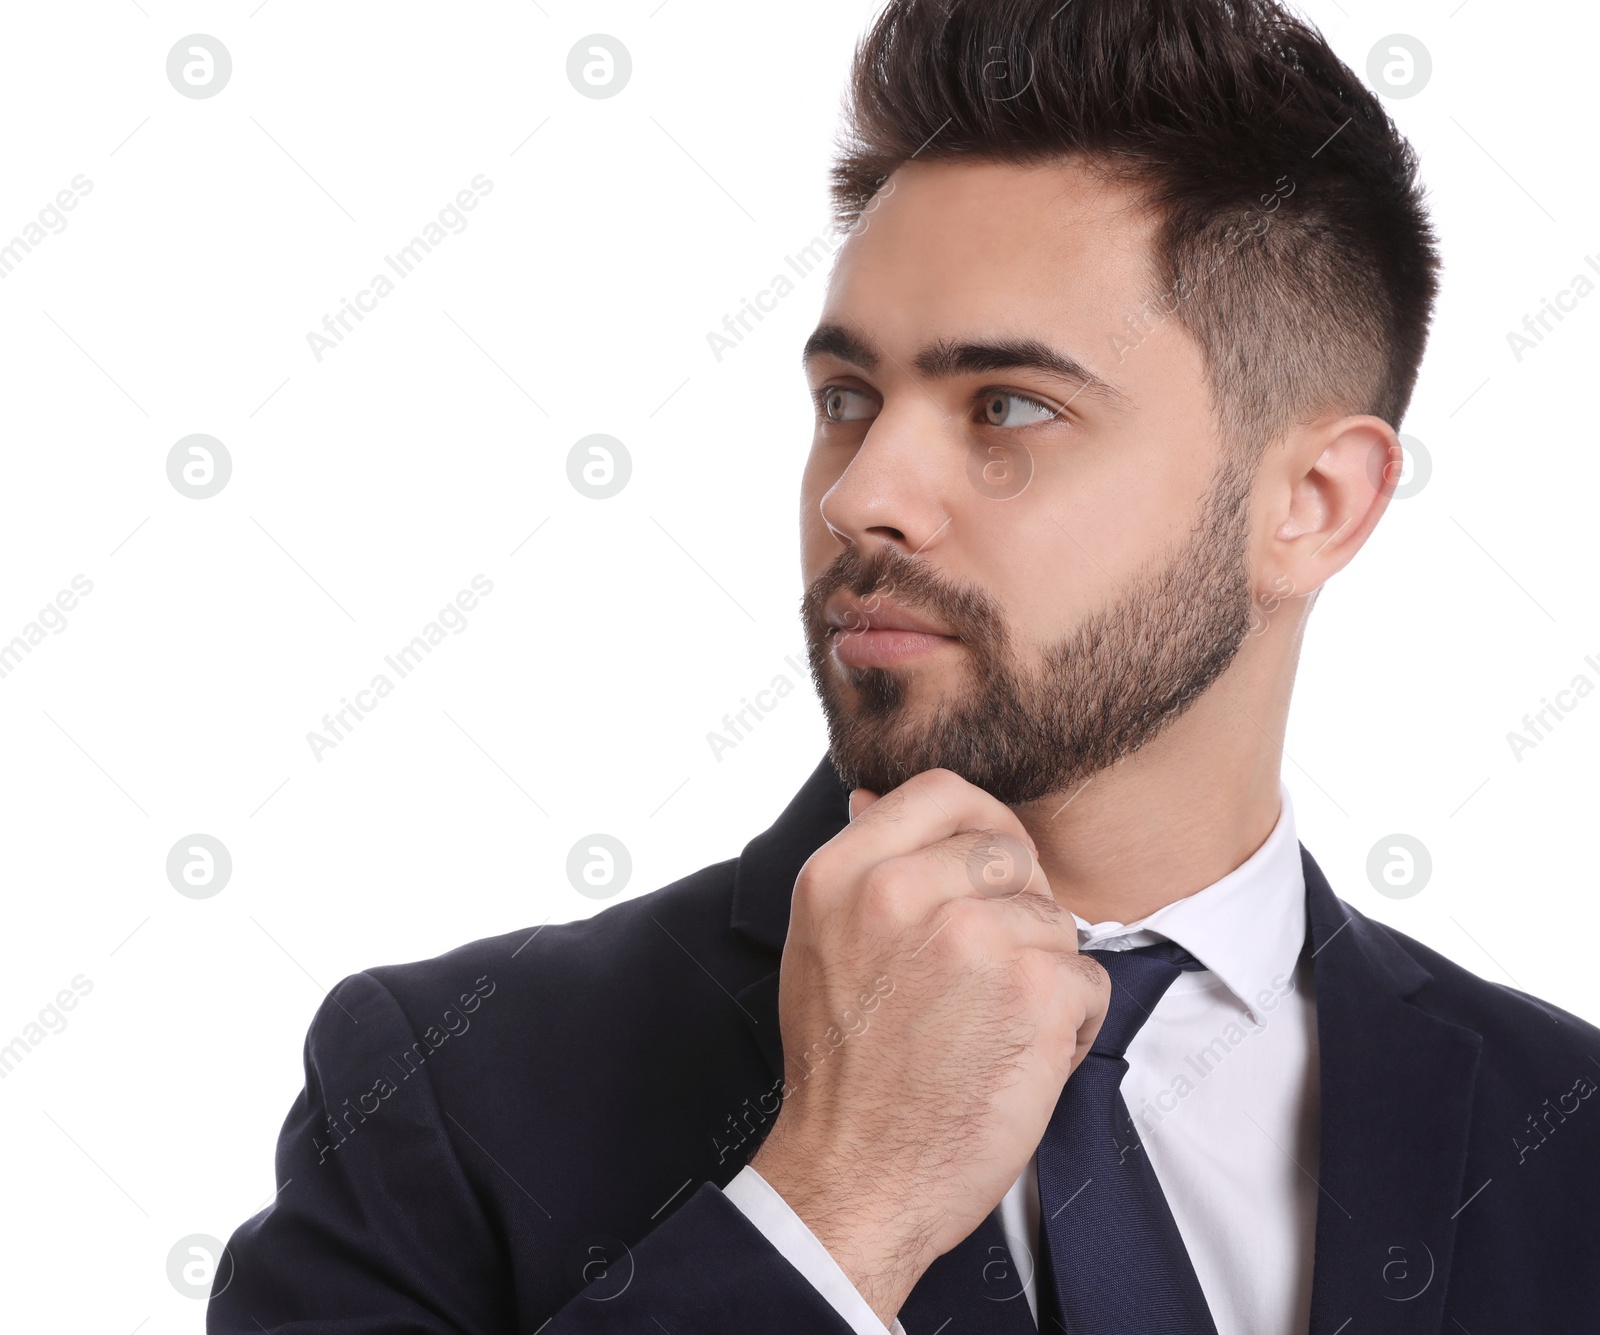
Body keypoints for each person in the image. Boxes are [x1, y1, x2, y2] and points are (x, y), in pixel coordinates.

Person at [210, 1, 1600, 1331]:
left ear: (1313, 505)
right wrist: (833, 1214)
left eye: (1008, 406)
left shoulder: (1567, 1133)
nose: (863, 491)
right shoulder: (453, 1091)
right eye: (847, 400)